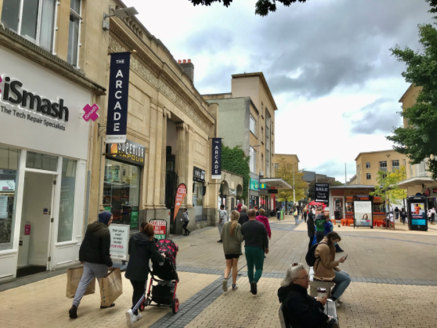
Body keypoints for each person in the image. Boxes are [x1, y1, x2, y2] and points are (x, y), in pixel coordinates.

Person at [69, 211, 114, 319]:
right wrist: (109, 264)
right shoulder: (105, 232)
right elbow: (105, 251)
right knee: (103, 283)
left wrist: (81, 257)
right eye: (110, 220)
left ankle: (75, 305)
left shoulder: (90, 227)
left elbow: (85, 243)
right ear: (105, 219)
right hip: (99, 263)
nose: (111, 222)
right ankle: (105, 302)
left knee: (83, 283)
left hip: (88, 261)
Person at [125, 222, 165, 325]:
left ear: (141, 229)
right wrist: (162, 257)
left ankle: (136, 314)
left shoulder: (133, 238)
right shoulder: (150, 242)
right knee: (142, 294)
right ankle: (132, 311)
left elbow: (129, 251)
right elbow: (156, 256)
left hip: (131, 269)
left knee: (136, 291)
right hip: (141, 271)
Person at [278, 263, 338, 328]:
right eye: (304, 278)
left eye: (307, 276)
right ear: (294, 280)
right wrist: (319, 303)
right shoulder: (293, 298)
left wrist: (316, 300)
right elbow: (311, 320)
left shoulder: (296, 291)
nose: (308, 280)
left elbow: (306, 305)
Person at [314, 231, 350, 306]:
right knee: (346, 279)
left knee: (346, 275)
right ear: (331, 239)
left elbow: (329, 262)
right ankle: (333, 298)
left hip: (324, 268)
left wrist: (337, 267)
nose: (336, 243)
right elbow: (327, 264)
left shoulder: (328, 244)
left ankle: (335, 294)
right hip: (322, 271)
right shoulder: (324, 247)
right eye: (336, 241)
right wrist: (338, 262)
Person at [241, 208, 269, 295]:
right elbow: (265, 237)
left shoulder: (244, 225)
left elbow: (242, 236)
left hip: (248, 248)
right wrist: (266, 247)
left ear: (248, 215)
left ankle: (251, 285)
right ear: (255, 215)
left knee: (250, 267)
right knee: (259, 268)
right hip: (258, 248)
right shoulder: (260, 225)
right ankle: (255, 281)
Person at [221, 210, 244, 291]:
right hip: (236, 249)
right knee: (235, 266)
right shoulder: (238, 225)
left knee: (228, 266)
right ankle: (234, 285)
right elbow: (239, 238)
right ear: (238, 217)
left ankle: (225, 278)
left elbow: (222, 236)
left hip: (227, 248)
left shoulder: (225, 225)